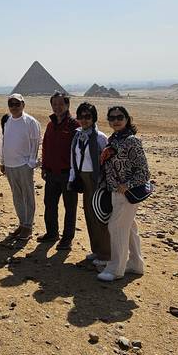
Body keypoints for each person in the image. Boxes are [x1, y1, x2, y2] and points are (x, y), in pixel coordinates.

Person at [96, 106, 149, 282]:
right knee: (129, 227)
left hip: (126, 193)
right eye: (112, 118)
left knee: (116, 227)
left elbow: (144, 172)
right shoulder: (114, 139)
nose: (116, 120)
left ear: (127, 119)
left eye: (120, 117)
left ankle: (115, 269)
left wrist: (127, 185)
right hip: (115, 191)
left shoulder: (132, 141)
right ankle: (135, 264)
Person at [67, 102, 110, 265]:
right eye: (81, 116)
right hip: (83, 179)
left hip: (97, 180)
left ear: (94, 118)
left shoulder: (100, 138)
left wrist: (104, 181)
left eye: (88, 117)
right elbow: (74, 158)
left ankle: (106, 254)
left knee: (100, 216)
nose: (84, 120)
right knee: (89, 215)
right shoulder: (77, 136)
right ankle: (96, 250)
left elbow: (107, 161)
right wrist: (73, 177)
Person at [40, 92, 80, 250]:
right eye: (54, 104)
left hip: (67, 173)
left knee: (70, 207)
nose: (57, 107)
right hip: (51, 173)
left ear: (68, 105)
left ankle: (67, 238)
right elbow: (45, 147)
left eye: (60, 104)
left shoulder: (74, 125)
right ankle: (52, 233)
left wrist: (76, 174)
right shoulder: (50, 124)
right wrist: (44, 167)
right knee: (49, 204)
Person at [0, 94, 40, 242]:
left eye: (17, 104)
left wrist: (31, 162)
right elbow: (4, 141)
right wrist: (3, 161)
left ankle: (28, 226)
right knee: (17, 196)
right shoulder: (8, 120)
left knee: (28, 196)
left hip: (24, 165)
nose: (14, 107)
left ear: (23, 104)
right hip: (10, 165)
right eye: (11, 104)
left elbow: (35, 142)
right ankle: (22, 223)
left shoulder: (30, 122)